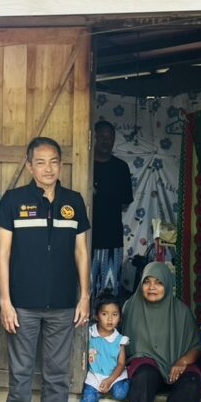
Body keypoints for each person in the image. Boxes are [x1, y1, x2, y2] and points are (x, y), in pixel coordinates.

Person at [0, 136, 90, 402]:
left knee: (57, 375)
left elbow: (81, 252)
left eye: (53, 162)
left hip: (63, 305)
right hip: (22, 304)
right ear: (29, 165)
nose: (48, 168)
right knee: (21, 373)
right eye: (40, 162)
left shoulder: (73, 202)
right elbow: (3, 254)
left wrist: (84, 295)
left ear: (61, 164)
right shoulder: (13, 200)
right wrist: (5, 301)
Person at [106, 262, 201, 402]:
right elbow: (118, 340)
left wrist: (183, 361)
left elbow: (196, 346)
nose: (151, 287)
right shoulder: (131, 307)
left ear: (168, 285)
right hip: (149, 365)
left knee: (193, 383)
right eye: (147, 282)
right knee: (143, 374)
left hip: (177, 366)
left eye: (158, 283)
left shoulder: (181, 312)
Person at [76, 294, 130, 402]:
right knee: (88, 398)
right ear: (96, 315)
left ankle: (114, 386)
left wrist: (110, 380)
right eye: (105, 314)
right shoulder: (90, 333)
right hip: (95, 376)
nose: (110, 319)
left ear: (120, 317)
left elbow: (121, 364)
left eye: (115, 314)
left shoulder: (120, 340)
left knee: (120, 393)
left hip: (115, 376)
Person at [91, 120, 133, 297]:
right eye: (101, 136)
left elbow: (125, 202)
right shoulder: (85, 166)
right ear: (93, 137)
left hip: (111, 238)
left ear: (114, 139)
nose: (105, 140)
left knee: (109, 291)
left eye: (109, 137)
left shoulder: (121, 168)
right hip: (86, 239)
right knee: (84, 289)